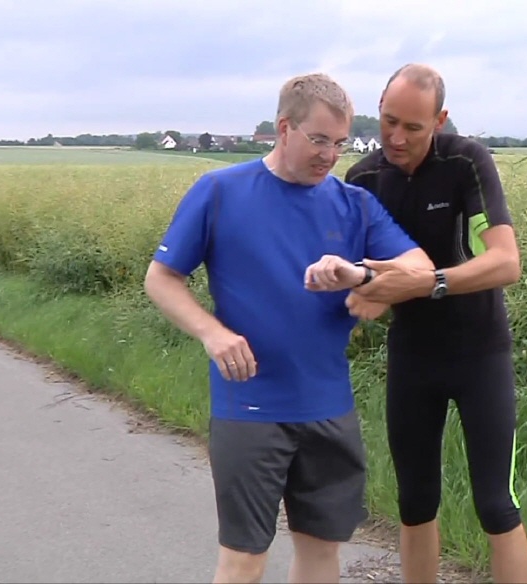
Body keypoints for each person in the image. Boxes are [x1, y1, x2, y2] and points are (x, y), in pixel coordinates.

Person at [143, 72, 433, 584]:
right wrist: (213, 334)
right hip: (250, 407)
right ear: (284, 127)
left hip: (329, 406)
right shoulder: (219, 192)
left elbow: (422, 271)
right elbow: (161, 278)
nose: (330, 155)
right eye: (318, 139)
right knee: (244, 559)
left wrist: (361, 276)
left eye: (340, 143)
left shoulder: (354, 204)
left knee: (323, 553)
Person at [343, 64, 527, 583]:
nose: (395, 138)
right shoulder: (362, 179)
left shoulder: (465, 161)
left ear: (441, 120)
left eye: (413, 127)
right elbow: (357, 273)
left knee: (496, 505)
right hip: (413, 357)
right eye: (387, 121)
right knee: (415, 503)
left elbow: (505, 262)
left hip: (480, 355)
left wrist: (427, 284)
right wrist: (365, 291)